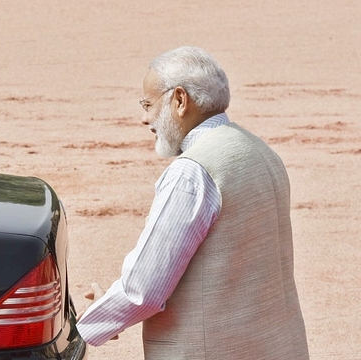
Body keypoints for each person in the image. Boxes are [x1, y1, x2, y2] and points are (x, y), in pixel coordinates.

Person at [76, 46, 310, 359]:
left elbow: (143, 290)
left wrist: (91, 322)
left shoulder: (191, 172)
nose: (145, 118)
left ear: (180, 100)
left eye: (148, 104)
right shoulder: (261, 151)